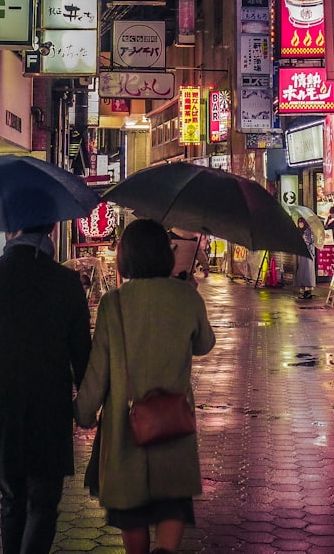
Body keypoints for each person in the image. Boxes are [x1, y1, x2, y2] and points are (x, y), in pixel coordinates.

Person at [75, 219, 216, 554]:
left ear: (127, 257)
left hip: (126, 426)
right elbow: (204, 344)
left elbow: (98, 372)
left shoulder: (114, 304)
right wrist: (191, 297)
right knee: (172, 500)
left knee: (131, 507)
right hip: (173, 424)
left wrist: (84, 412)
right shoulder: (186, 297)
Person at [0, 222, 92, 554]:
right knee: (44, 502)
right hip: (49, 403)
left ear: (10, 229)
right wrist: (90, 405)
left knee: (12, 498)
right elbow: (82, 354)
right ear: (51, 229)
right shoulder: (65, 281)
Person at [294, 217, 316, 299]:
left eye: (302, 222)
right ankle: (304, 290)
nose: (300, 224)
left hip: (308, 255)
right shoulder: (300, 231)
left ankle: (308, 291)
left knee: (307, 273)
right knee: (302, 272)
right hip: (302, 255)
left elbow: (309, 242)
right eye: (299, 222)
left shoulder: (308, 231)